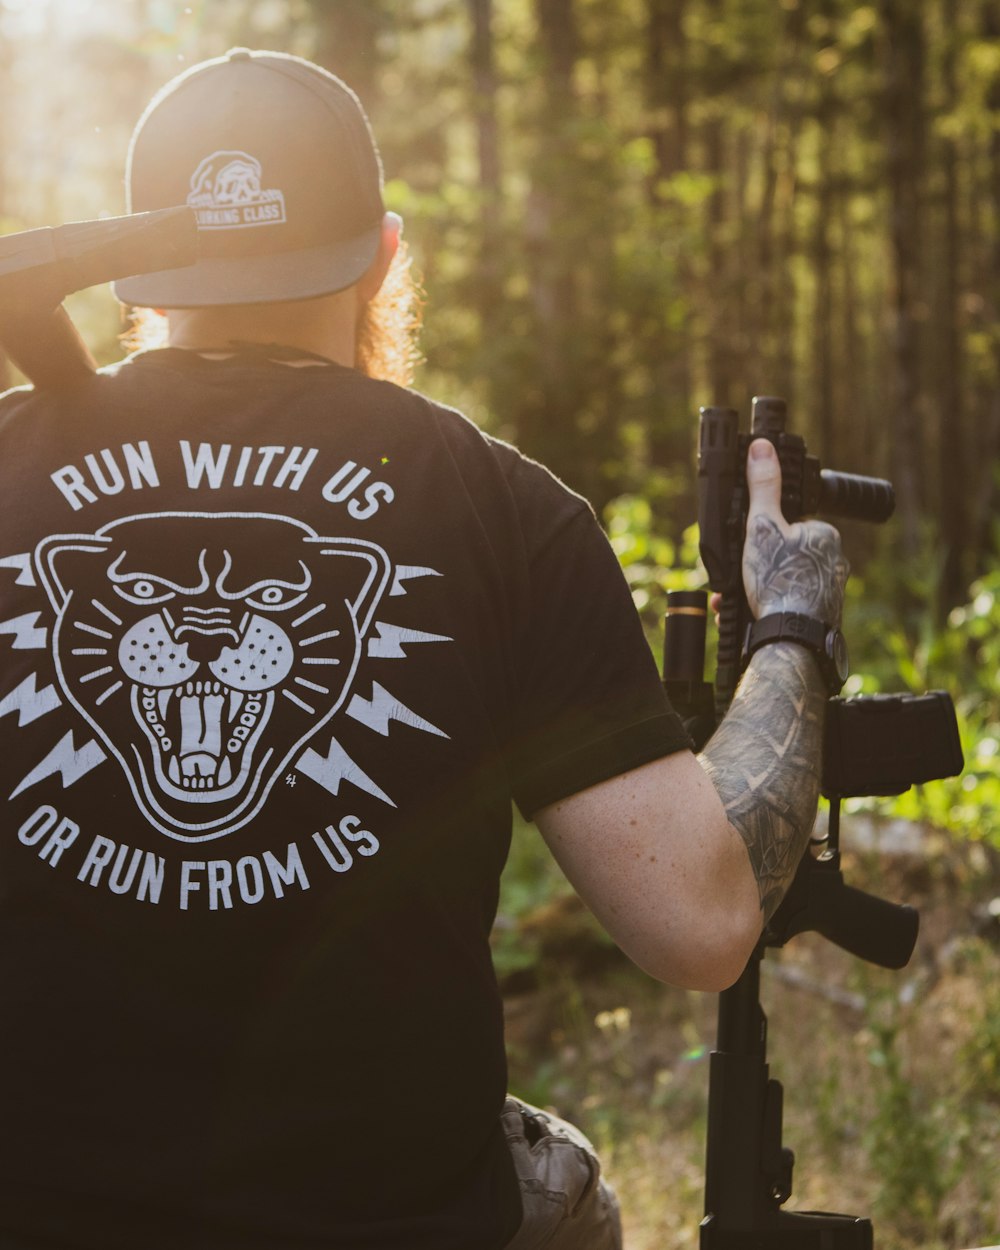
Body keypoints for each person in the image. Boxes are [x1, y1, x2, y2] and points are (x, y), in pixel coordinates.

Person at [0, 48, 847, 1250]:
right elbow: (698, 923)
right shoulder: (497, 503)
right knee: (568, 1194)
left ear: (136, 278)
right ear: (386, 258)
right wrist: (791, 627)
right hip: (388, 1219)